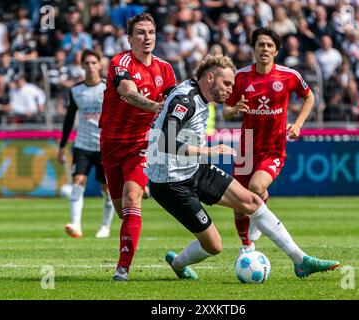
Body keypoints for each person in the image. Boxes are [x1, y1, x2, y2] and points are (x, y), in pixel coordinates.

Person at [145, 54, 339, 280]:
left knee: (252, 201)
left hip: (194, 168)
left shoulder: (201, 98)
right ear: (209, 77)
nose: (230, 90)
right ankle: (178, 263)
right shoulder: (185, 99)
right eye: (226, 83)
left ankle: (301, 261)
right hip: (170, 183)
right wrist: (209, 151)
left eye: (232, 85)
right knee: (214, 246)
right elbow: (165, 141)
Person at [98, 13, 176, 281]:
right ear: (130, 38)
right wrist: (155, 106)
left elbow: (174, 109)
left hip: (143, 144)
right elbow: (128, 93)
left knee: (132, 200)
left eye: (151, 32)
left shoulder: (165, 69)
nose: (147, 38)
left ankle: (122, 268)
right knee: (122, 210)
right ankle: (140, 186)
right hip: (111, 143)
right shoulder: (119, 62)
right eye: (141, 33)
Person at [222, 28, 315, 253]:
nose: (265, 49)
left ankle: (259, 212)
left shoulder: (289, 75)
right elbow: (225, 112)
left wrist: (298, 124)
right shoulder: (241, 77)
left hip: (273, 147)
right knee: (238, 204)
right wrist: (234, 109)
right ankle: (246, 246)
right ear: (253, 49)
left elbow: (309, 96)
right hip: (246, 147)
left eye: (269, 45)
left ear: (276, 50)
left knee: (255, 187)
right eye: (261, 45)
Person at [57, 49, 114, 239]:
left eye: (93, 62)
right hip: (82, 144)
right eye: (86, 63)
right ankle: (76, 224)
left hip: (105, 146)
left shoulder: (108, 88)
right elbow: (68, 119)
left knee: (106, 189)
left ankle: (105, 226)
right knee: (77, 181)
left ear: (99, 64)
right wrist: (61, 147)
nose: (90, 66)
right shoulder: (76, 90)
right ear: (82, 66)